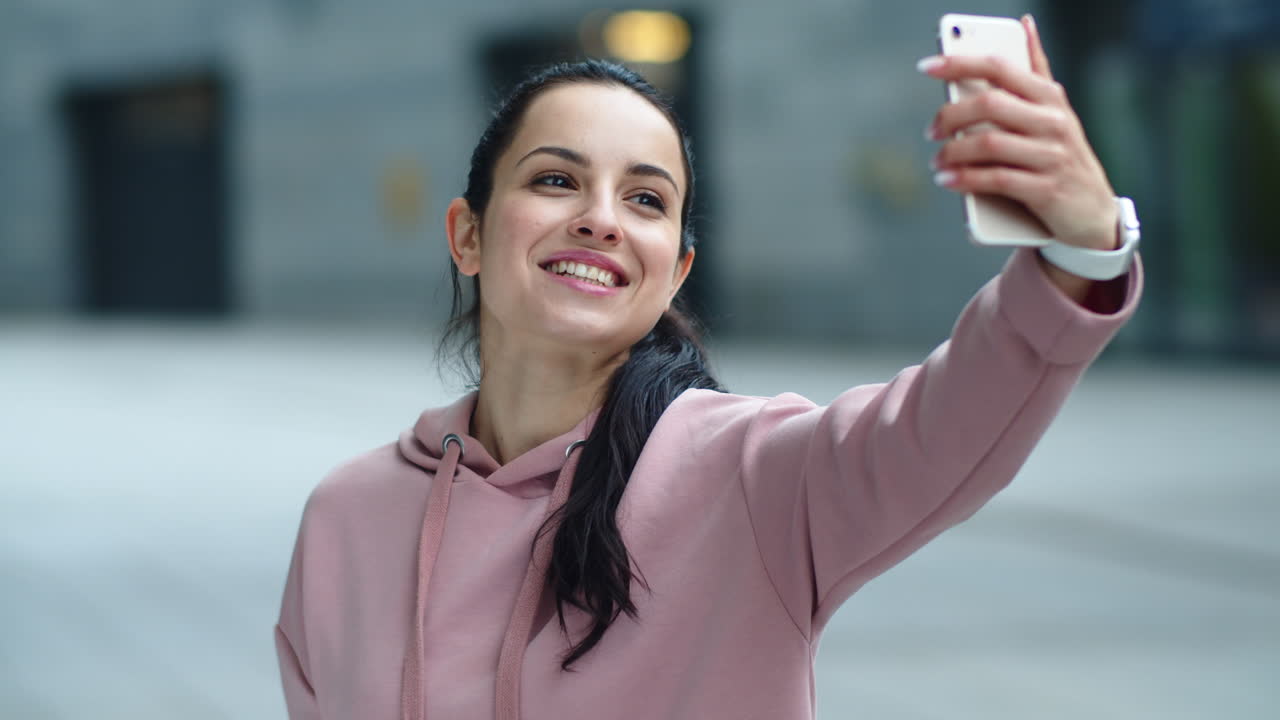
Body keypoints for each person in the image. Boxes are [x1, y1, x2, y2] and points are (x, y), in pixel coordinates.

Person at [274, 15, 1142, 720]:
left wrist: (1081, 252)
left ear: (674, 270)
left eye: (646, 199)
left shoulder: (760, 478)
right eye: (554, 180)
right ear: (467, 233)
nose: (602, 220)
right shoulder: (346, 519)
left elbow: (951, 420)